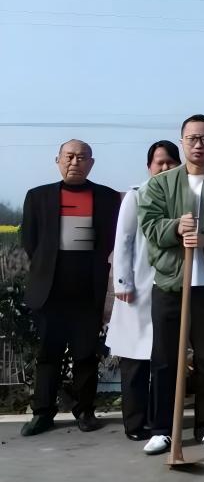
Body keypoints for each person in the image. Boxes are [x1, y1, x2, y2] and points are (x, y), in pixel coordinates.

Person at [139, 115, 204, 455]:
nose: (198, 145)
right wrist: (174, 227)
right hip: (170, 284)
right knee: (165, 359)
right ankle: (162, 429)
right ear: (182, 141)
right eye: (192, 138)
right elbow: (149, 224)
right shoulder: (161, 183)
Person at [19, 140, 121, 437]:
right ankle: (42, 413)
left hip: (87, 292)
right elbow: (30, 242)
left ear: (91, 163)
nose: (75, 162)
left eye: (82, 157)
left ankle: (85, 411)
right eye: (69, 156)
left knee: (86, 356)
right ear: (58, 160)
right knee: (48, 355)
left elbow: (110, 239)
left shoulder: (106, 197)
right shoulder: (38, 197)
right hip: (50, 293)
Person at [106, 141, 181, 442]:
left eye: (170, 162)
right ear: (149, 166)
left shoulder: (182, 197)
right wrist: (122, 282)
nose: (164, 167)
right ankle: (135, 423)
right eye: (159, 162)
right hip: (136, 289)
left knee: (162, 360)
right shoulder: (136, 196)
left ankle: (159, 421)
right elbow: (123, 240)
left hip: (168, 287)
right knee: (135, 360)